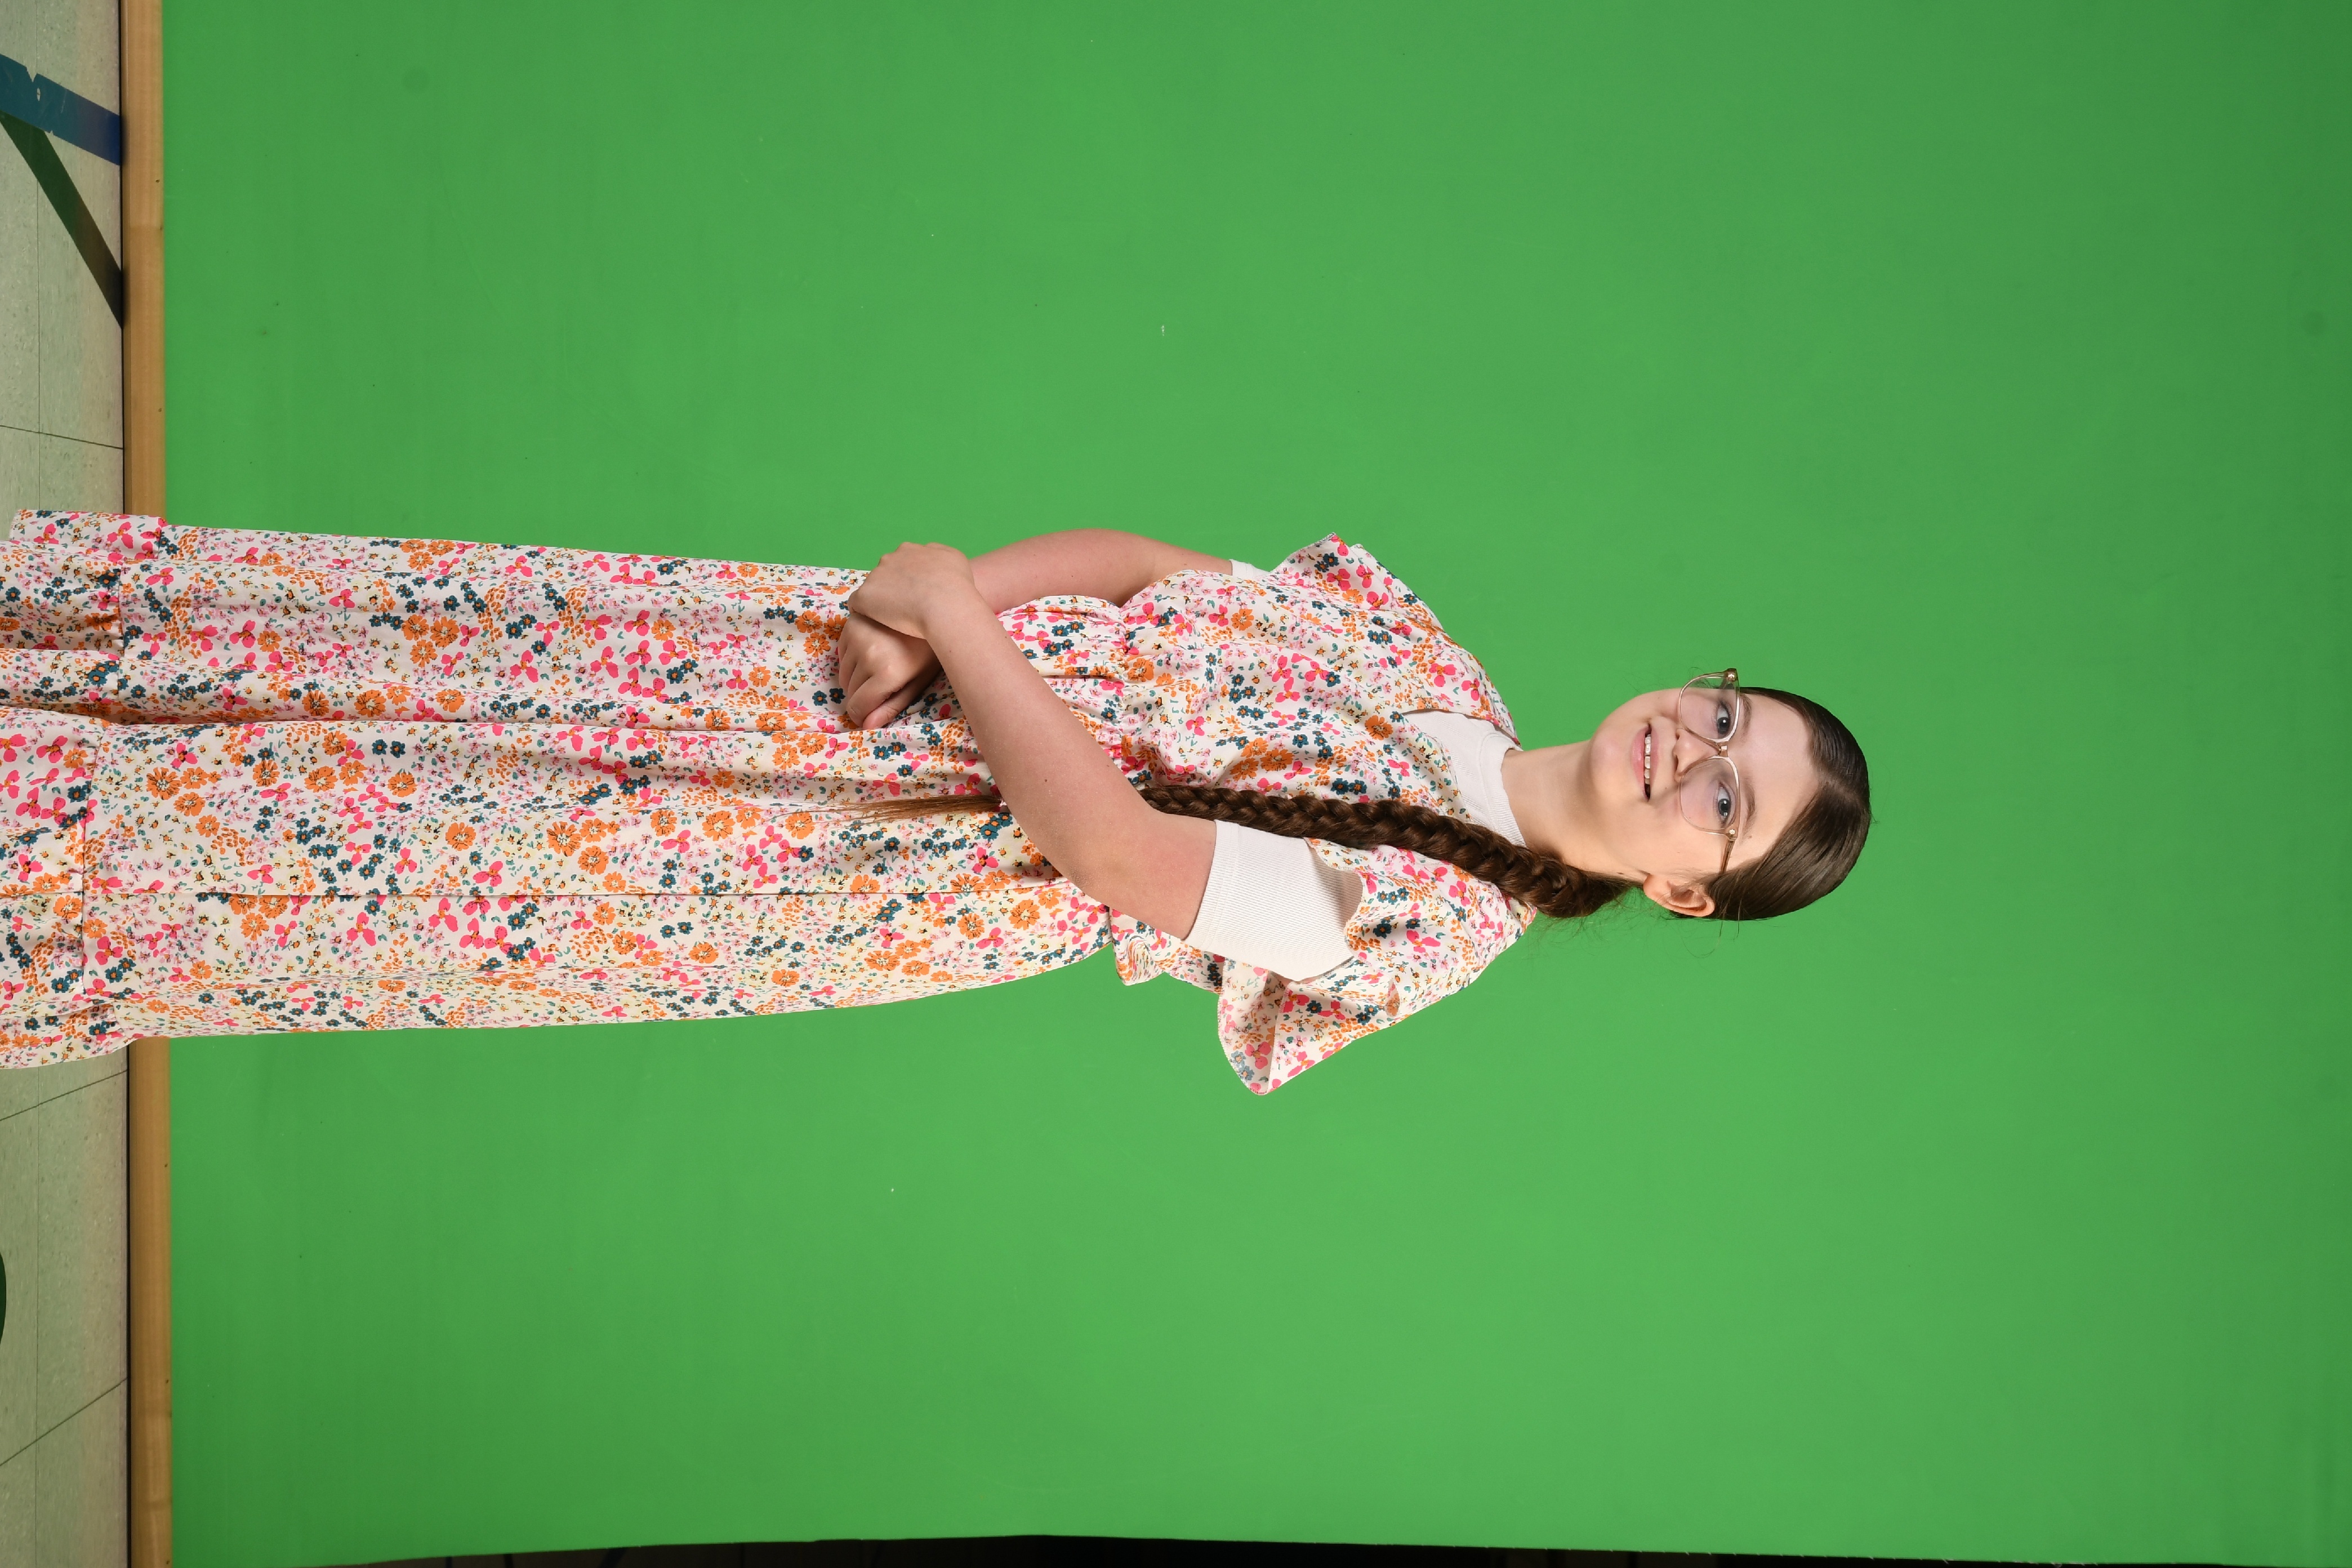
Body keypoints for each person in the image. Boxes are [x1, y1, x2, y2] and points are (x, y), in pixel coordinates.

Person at [0, 511, 1869, 1092]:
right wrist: (938, 598)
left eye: (1725, 803)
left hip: (813, 843)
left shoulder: (1435, 924)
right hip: (822, 676)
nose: (1689, 754)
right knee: (398, 663)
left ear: (1689, 893)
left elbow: (1116, 854)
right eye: (1723, 717)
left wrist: (958, 616)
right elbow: (1147, 569)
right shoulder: (1429, 661)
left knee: (373, 832)